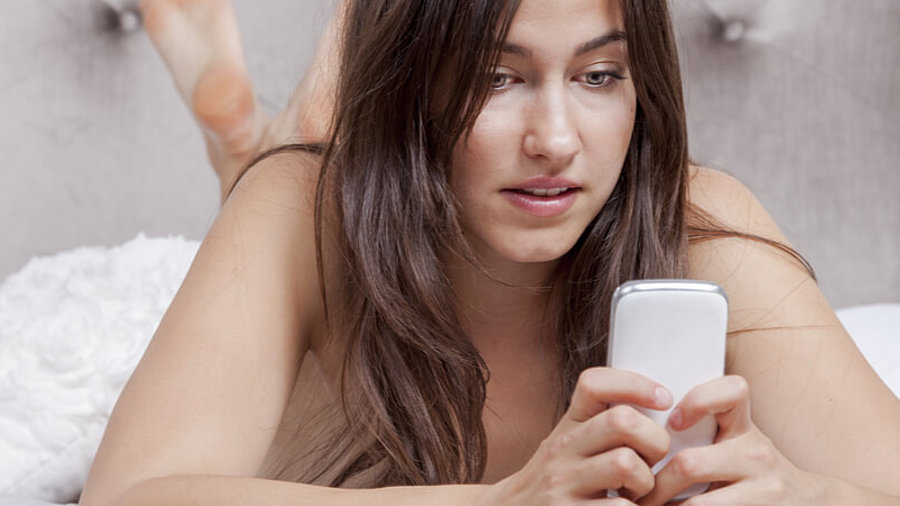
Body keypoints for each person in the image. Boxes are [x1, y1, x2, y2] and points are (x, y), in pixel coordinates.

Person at [80, 0, 900, 504]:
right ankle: (274, 131)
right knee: (303, 173)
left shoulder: (695, 221)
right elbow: (129, 499)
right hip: (350, 201)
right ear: (416, 84)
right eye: (496, 78)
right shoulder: (301, 214)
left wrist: (807, 493)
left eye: (600, 75)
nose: (555, 141)